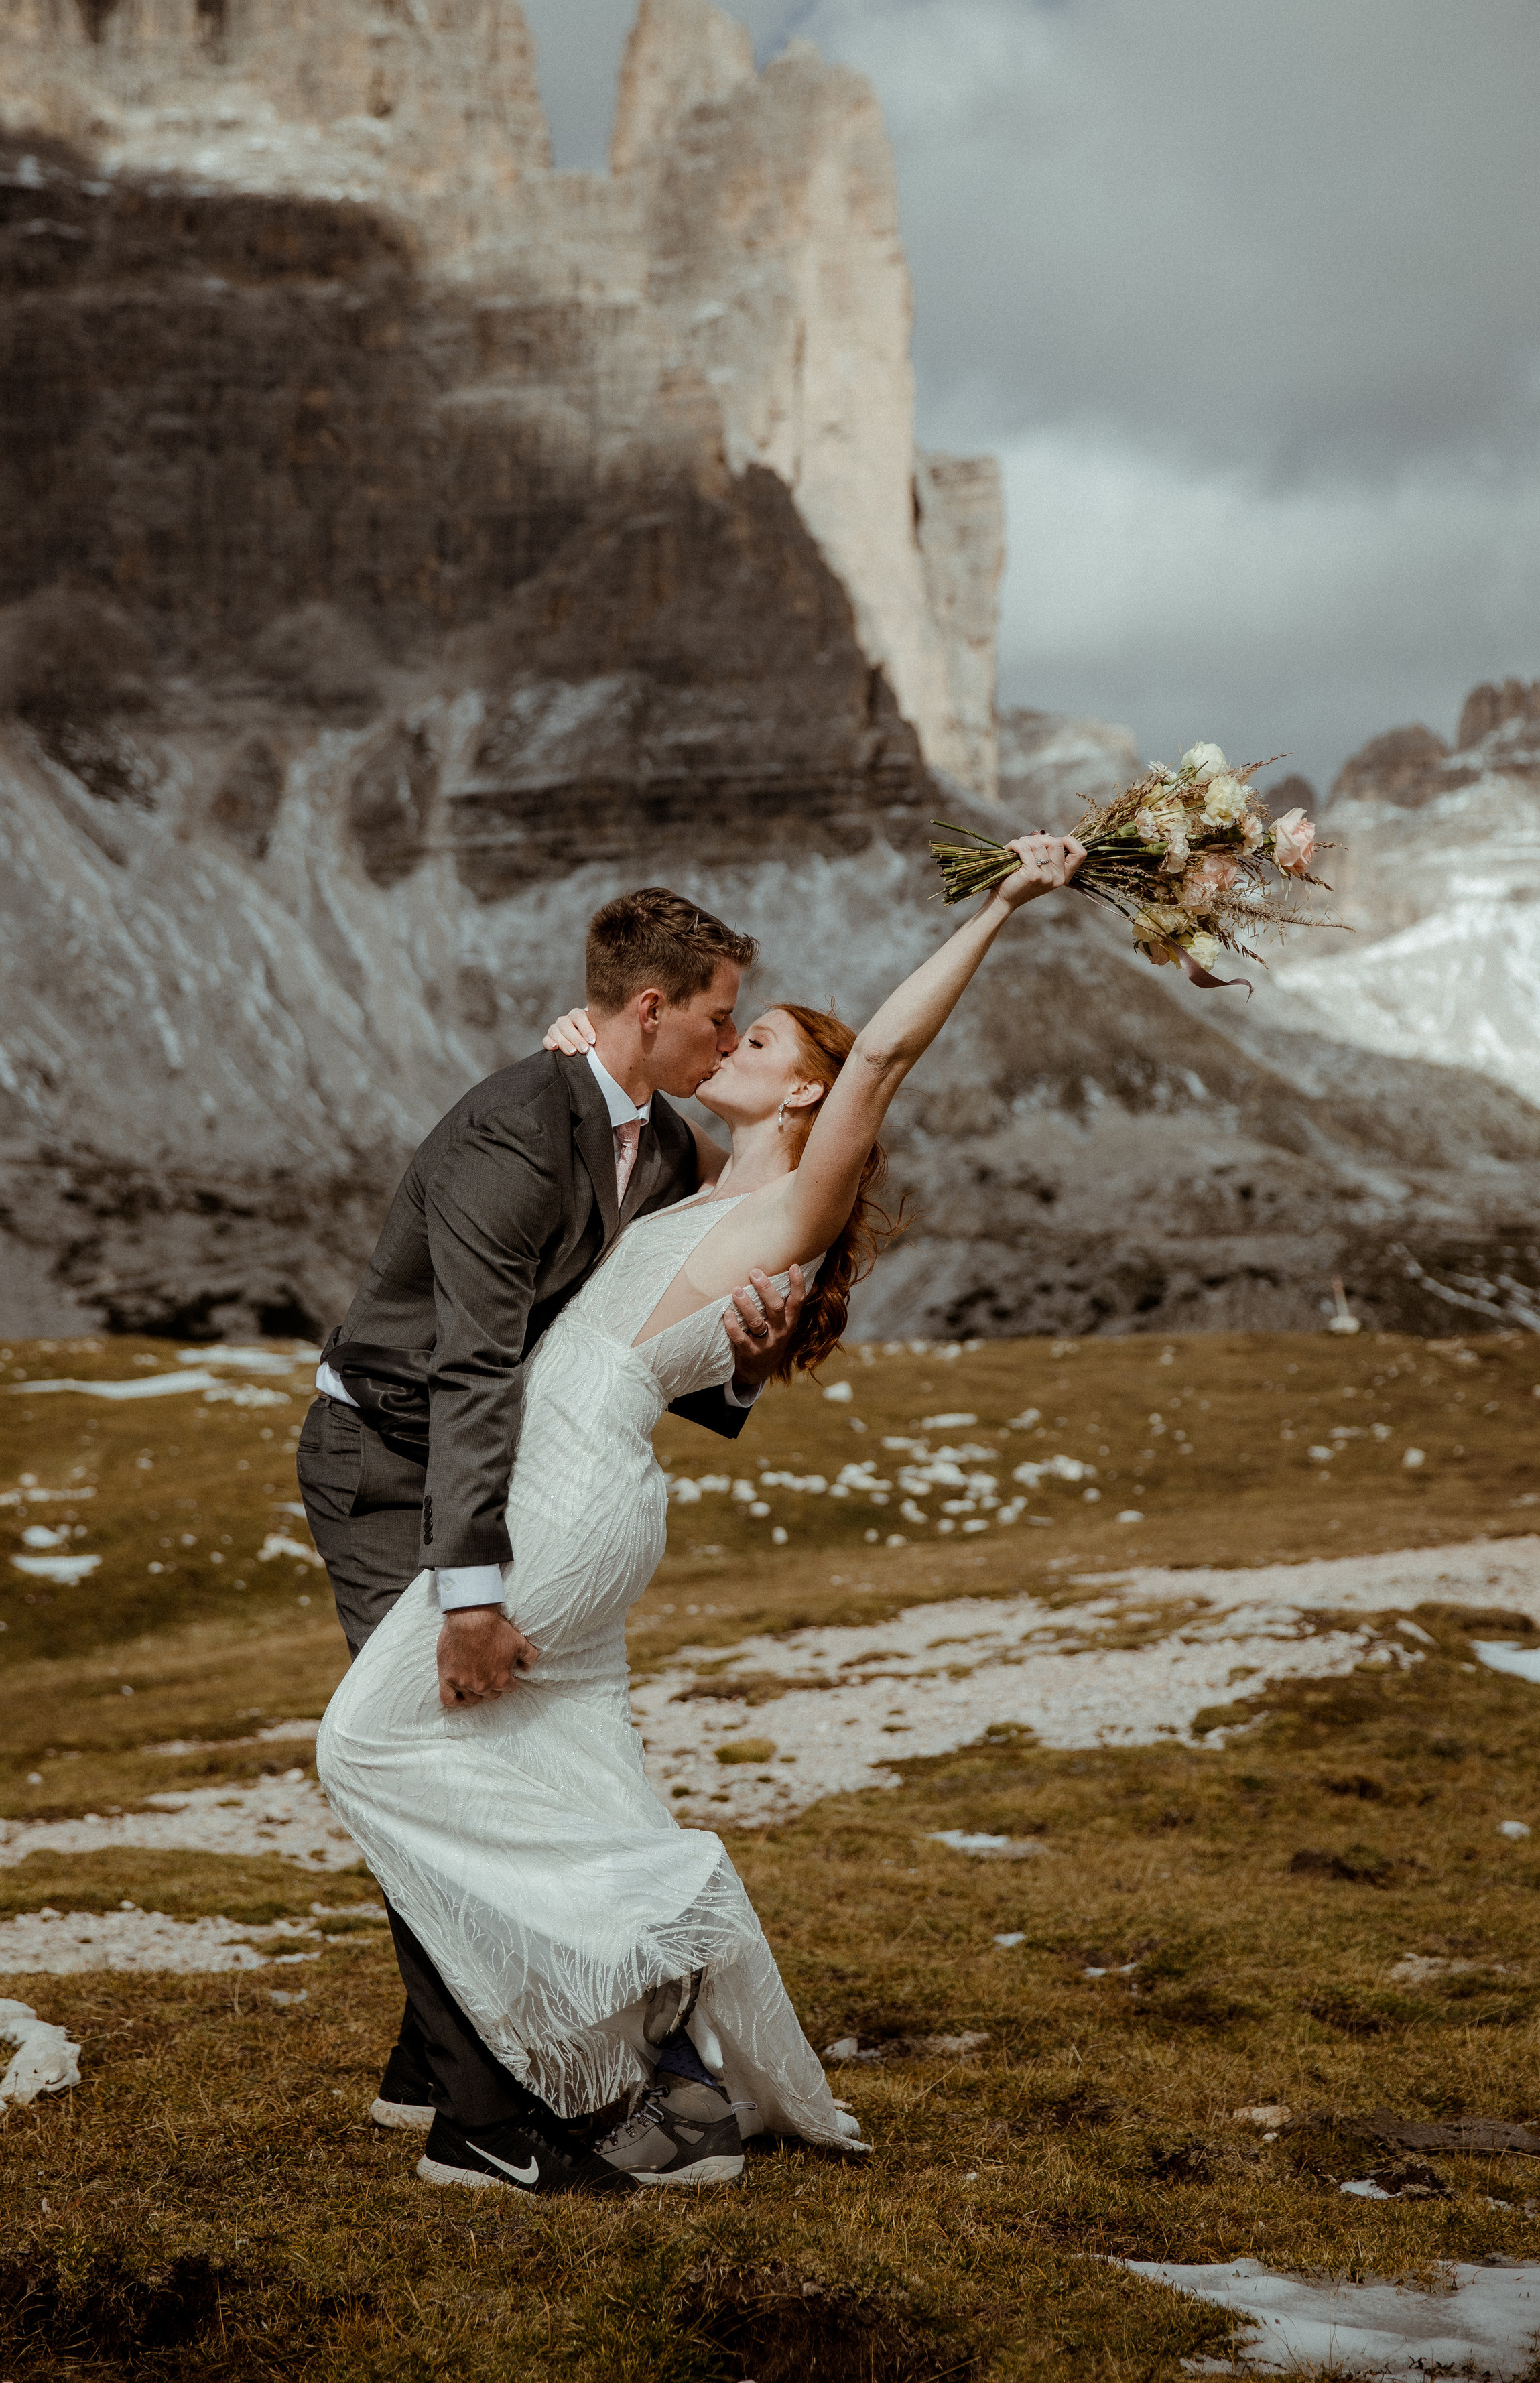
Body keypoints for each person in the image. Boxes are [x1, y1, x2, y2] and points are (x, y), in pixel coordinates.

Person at [316, 829, 1086, 2196]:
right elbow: (592, 1239)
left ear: (808, 1093)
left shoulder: (797, 1186)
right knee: (560, 1765)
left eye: (762, 1037)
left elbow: (890, 1056)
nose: (732, 1042)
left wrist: (1009, 900)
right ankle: (541, 2055)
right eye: (720, 1019)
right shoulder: (673, 1167)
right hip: (564, 1477)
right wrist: (595, 1058)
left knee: (368, 1748)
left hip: (564, 1493)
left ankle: (641, 1953)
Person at [297, 887, 807, 2183]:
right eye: (715, 1020)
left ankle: (431, 2067)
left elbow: (629, 1330)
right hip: (386, 1457)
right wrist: (470, 1599)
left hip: (499, 1469)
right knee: (423, 1744)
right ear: (651, 1009)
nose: (723, 1042)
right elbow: (472, 1366)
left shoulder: (671, 1149)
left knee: (473, 1748)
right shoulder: (516, 1132)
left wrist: (743, 1365)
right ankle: (484, 2129)